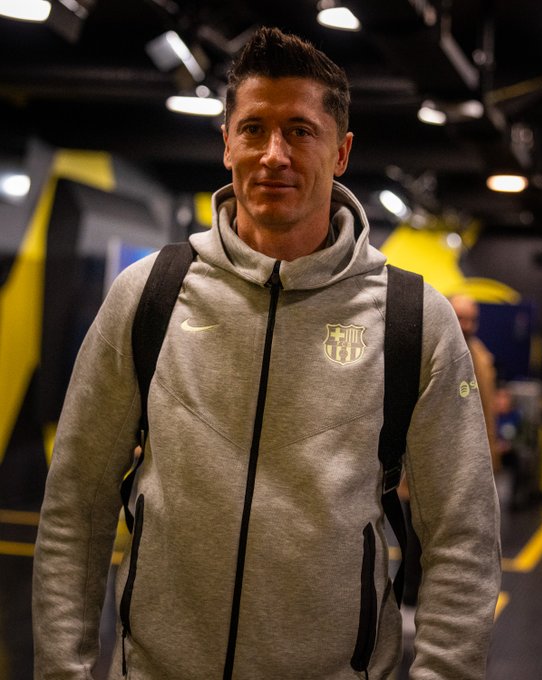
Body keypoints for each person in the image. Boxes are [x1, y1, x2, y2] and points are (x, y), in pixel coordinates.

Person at [32, 27, 501, 680]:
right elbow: (75, 510)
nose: (273, 154)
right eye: (254, 129)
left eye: (300, 131)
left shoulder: (411, 318)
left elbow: (463, 537)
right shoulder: (149, 296)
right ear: (227, 141)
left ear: (341, 151)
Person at [449, 294, 499, 471]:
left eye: (472, 320)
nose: (467, 326)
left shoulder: (483, 358)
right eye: (460, 318)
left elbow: (488, 412)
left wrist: (492, 459)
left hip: (470, 458)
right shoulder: (428, 352)